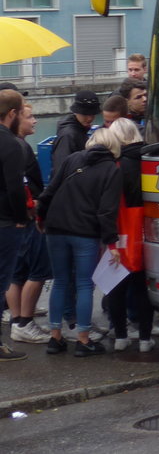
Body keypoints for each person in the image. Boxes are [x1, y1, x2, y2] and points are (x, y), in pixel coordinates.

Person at [38, 125, 123, 357]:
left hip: (56, 226)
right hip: (85, 231)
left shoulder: (73, 158)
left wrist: (41, 216)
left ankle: (55, 338)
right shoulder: (112, 169)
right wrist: (112, 244)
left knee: (60, 282)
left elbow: (51, 189)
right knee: (85, 284)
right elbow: (107, 211)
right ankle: (83, 340)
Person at [106, 118, 156, 353]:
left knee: (116, 285)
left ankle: (120, 336)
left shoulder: (116, 165)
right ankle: (146, 338)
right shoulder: (150, 161)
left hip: (122, 228)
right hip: (148, 228)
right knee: (143, 287)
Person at [6, 101, 52, 345]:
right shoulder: (20, 148)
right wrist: (32, 211)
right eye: (30, 117)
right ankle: (25, 321)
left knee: (16, 273)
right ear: (15, 118)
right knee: (37, 271)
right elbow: (21, 187)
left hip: (12, 220)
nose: (34, 121)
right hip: (26, 218)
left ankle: (17, 321)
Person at [0, 88, 29, 362]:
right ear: (12, 114)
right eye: (21, 112)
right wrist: (22, 218)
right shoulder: (10, 144)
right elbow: (14, 188)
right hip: (5, 222)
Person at [49, 90, 101, 182]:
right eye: (85, 114)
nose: (89, 118)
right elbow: (61, 170)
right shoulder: (68, 136)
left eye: (92, 114)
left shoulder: (79, 130)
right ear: (76, 112)